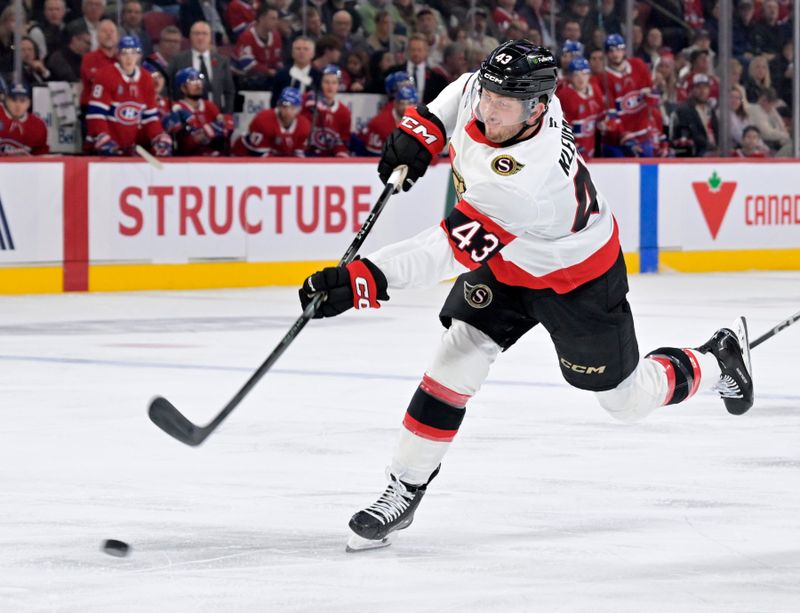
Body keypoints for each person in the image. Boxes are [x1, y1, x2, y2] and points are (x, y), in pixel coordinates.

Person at [297, 40, 754, 552]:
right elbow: (464, 91)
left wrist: (364, 278)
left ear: (537, 108)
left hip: (578, 278)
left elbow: (445, 251)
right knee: (456, 356)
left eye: (503, 104)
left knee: (625, 401)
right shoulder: (506, 94)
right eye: (489, 95)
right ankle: (404, 486)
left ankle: (716, 361)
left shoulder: (521, 181)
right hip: (510, 264)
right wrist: (424, 128)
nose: (489, 110)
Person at [86, 35, 172, 156]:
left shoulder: (146, 78)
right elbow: (96, 113)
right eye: (124, 53)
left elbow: (150, 117)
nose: (129, 57)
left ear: (139, 55)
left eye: (133, 52)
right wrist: (103, 138)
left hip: (128, 149)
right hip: (102, 151)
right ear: (118, 55)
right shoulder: (105, 75)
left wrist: (158, 137)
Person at [598, 33, 658, 157]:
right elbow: (610, 114)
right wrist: (624, 136)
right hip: (616, 142)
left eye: (619, 49)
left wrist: (652, 94)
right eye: (611, 50)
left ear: (624, 50)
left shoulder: (638, 65)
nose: (615, 54)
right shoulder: (603, 78)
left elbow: (652, 97)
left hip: (642, 135)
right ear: (606, 53)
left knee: (647, 173)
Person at [168, 21, 236, 113]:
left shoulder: (222, 62)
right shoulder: (178, 60)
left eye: (204, 34)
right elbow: (168, 87)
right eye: (196, 34)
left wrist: (227, 114)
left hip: (215, 115)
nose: (200, 37)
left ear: (210, 37)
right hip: (185, 115)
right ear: (190, 37)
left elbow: (229, 91)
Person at [165, 67, 228, 156]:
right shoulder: (177, 108)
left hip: (214, 157)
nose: (198, 84)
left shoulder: (209, 105)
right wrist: (209, 130)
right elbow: (185, 144)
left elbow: (223, 129)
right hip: (188, 160)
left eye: (199, 80)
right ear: (183, 88)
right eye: (192, 81)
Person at [231, 86, 310, 157]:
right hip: (245, 155)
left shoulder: (304, 125)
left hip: (276, 156)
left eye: (293, 108)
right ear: (278, 106)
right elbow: (258, 155)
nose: (288, 111)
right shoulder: (263, 120)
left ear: (299, 109)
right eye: (285, 107)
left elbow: (299, 156)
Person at [558, 57, 603, 160]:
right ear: (570, 77)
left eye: (584, 74)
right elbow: (560, 129)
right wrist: (572, 145)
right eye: (576, 75)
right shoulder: (564, 96)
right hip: (570, 152)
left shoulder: (595, 89)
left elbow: (601, 116)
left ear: (589, 75)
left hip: (590, 150)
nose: (581, 78)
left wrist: (605, 123)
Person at [301, 64, 351, 157]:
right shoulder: (307, 100)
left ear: (339, 85)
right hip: (307, 155)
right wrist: (313, 113)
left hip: (328, 159)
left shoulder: (344, 112)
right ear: (320, 83)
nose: (330, 86)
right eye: (326, 82)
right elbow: (301, 132)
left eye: (334, 82)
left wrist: (341, 153)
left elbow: (343, 141)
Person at [232, 4, 284, 90]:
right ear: (261, 18)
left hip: (265, 77)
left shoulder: (276, 36)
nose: (276, 22)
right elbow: (246, 63)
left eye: (277, 18)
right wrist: (268, 71)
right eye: (273, 18)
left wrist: (282, 71)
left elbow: (277, 60)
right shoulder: (247, 36)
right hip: (242, 78)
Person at [360, 83, 417, 155]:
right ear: (395, 103)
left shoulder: (423, 122)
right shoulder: (380, 123)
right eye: (402, 103)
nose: (406, 107)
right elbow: (373, 157)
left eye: (410, 103)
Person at [0, 83, 49, 155]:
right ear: (6, 101)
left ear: (29, 103)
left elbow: (41, 157)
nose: (18, 105)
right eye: (13, 100)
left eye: (22, 101)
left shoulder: (38, 126)